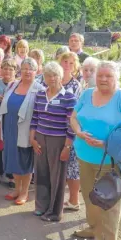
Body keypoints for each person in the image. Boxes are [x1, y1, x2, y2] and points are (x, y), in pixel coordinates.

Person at [70, 61, 121, 240]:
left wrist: (106, 144)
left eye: (108, 76)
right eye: (100, 75)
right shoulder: (86, 94)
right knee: (90, 196)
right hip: (84, 155)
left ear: (116, 78)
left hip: (111, 161)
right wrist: (79, 133)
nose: (103, 79)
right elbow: (73, 118)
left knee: (110, 201)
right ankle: (93, 228)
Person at [30, 62, 77, 221]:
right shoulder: (40, 94)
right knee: (41, 174)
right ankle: (41, 206)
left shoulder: (69, 97)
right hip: (40, 139)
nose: (51, 78)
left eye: (55, 75)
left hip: (59, 141)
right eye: (48, 75)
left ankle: (54, 213)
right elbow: (35, 118)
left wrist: (67, 147)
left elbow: (71, 125)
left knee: (57, 176)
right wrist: (33, 139)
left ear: (60, 76)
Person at [0, 58, 44, 205]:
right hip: (9, 128)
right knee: (13, 159)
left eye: (31, 69)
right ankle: (16, 189)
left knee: (25, 161)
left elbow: (40, 115)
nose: (27, 71)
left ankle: (24, 192)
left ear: (36, 71)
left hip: (27, 131)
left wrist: (35, 135)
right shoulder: (12, 84)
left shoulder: (40, 89)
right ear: (20, 70)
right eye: (24, 68)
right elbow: (2, 109)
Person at [57, 51, 83, 211]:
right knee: (60, 166)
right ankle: (59, 198)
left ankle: (74, 200)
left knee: (72, 167)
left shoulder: (76, 86)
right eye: (65, 61)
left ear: (75, 67)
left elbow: (77, 112)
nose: (67, 65)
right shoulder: (52, 80)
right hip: (53, 129)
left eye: (71, 63)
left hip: (69, 131)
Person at [0, 59, 17, 188]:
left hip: (11, 120)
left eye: (11, 69)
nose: (7, 71)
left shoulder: (17, 85)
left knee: (11, 147)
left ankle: (11, 175)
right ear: (0, 70)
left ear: (15, 71)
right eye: (5, 68)